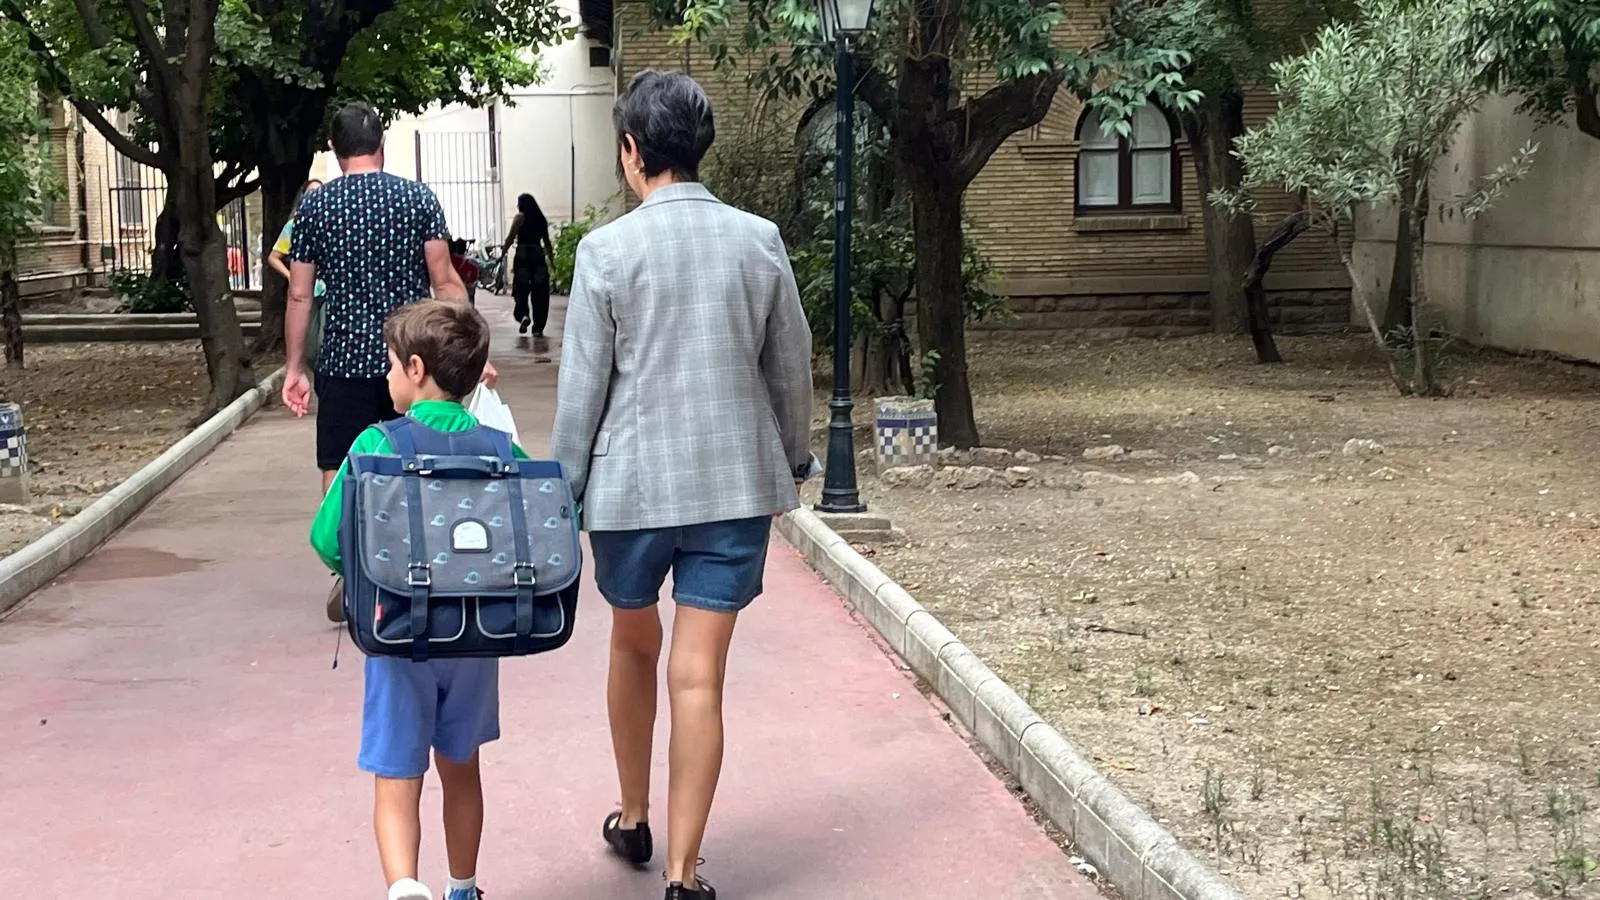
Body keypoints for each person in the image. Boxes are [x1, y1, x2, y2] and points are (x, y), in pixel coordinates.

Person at [550, 70, 815, 900]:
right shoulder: (758, 239)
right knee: (700, 676)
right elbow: (792, 368)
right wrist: (796, 458)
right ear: (703, 145)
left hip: (628, 492)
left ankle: (633, 816)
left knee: (633, 644)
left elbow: (582, 392)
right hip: (734, 486)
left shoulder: (606, 251)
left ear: (632, 151)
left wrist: (563, 490)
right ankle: (684, 872)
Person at [310, 301, 517, 900]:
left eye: (392, 364)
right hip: (478, 635)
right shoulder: (499, 444)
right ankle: (463, 887)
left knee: (397, 775)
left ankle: (405, 888)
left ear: (418, 369)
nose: (387, 375)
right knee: (462, 767)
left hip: (399, 631)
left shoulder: (376, 442)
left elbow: (327, 540)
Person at [281, 101, 494, 624]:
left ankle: (350, 567)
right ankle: (416, 562)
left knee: (343, 462)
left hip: (344, 359)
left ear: (334, 150)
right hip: (412, 358)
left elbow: (301, 296)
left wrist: (294, 367)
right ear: (383, 145)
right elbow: (445, 280)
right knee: (417, 458)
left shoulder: (316, 207)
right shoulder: (417, 198)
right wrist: (472, 352)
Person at [501, 192, 554, 336]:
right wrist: (552, 261)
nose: (517, 206)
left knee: (521, 289)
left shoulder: (520, 218)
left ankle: (523, 315)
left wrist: (501, 255)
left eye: (519, 203)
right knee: (540, 293)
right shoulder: (541, 220)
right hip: (538, 256)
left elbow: (511, 237)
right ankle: (538, 327)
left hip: (523, 256)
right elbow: (547, 242)